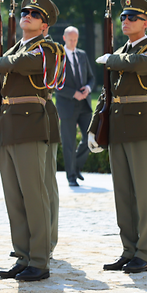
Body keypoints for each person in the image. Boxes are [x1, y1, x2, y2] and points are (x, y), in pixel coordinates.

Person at [0, 0, 61, 282]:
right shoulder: (12, 50)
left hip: (30, 126)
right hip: (8, 126)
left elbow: (27, 64)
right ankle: (23, 256)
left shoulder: (48, 48)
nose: (27, 16)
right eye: (25, 11)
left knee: (34, 196)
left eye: (35, 14)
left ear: (44, 26)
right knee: (14, 198)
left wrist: (3, 60)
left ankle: (40, 259)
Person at [88, 0, 147, 275]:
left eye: (132, 17)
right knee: (123, 193)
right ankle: (128, 249)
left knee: (143, 193)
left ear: (145, 22)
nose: (125, 20)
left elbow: (143, 66)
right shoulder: (119, 52)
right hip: (118, 124)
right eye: (122, 17)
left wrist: (114, 59)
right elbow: (106, 93)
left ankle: (144, 254)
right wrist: (95, 126)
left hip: (140, 124)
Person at [56, 27, 95, 188]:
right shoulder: (58, 58)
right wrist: (73, 94)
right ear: (64, 38)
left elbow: (92, 78)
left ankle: (76, 166)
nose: (73, 42)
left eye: (75, 39)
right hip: (67, 105)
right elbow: (55, 84)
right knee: (69, 142)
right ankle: (71, 176)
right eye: (70, 39)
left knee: (90, 138)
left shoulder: (82, 55)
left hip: (84, 104)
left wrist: (88, 88)